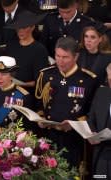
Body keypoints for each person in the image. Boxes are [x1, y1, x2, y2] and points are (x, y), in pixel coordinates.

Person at [35, 37, 98, 168]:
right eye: (57, 56)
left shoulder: (88, 80)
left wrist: (74, 124)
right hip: (48, 135)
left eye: (65, 57)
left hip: (73, 138)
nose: (60, 61)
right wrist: (40, 118)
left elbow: (93, 112)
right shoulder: (46, 75)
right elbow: (39, 104)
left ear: (76, 57)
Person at [0, 56, 36, 133]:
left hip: (11, 139)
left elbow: (27, 126)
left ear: (12, 75)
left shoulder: (22, 95)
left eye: (3, 74)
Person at [4, 10, 49, 96]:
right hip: (7, 89)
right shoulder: (11, 45)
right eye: (18, 28)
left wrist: (20, 84)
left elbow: (39, 81)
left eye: (24, 28)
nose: (20, 31)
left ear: (32, 27)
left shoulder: (39, 50)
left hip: (25, 93)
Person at [87, 63, 111, 178]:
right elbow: (91, 118)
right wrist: (93, 132)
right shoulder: (102, 92)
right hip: (101, 154)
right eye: (110, 79)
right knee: (99, 177)